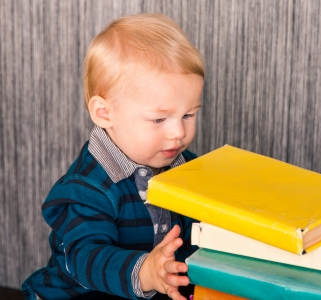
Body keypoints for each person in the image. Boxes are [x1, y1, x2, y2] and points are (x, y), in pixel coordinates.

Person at [22, 13, 204, 300]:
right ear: (105, 114)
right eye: (159, 119)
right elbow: (85, 259)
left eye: (188, 114)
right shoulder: (87, 188)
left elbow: (199, 231)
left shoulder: (185, 167)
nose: (178, 132)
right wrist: (145, 271)